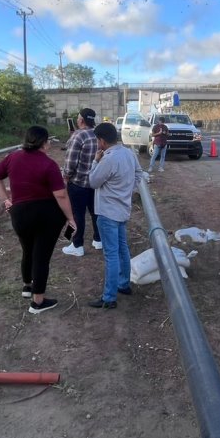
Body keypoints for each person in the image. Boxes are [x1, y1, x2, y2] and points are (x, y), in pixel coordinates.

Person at [0, 125, 77, 315]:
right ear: (44, 143)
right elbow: (61, 195)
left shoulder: (13, 157)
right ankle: (38, 302)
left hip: (19, 214)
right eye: (48, 141)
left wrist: (6, 200)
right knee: (41, 257)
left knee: (27, 250)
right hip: (46, 215)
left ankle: (27, 287)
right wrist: (71, 218)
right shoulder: (49, 164)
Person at [86, 122, 144, 309]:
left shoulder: (108, 159)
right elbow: (139, 173)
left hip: (107, 212)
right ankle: (123, 284)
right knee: (122, 249)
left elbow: (93, 181)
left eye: (97, 140)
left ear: (102, 141)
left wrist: (95, 161)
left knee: (111, 254)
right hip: (122, 209)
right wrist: (128, 191)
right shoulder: (128, 153)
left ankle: (109, 297)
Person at [61, 107, 102, 258]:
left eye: (78, 117)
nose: (77, 119)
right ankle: (98, 240)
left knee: (76, 214)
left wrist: (65, 178)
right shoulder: (99, 135)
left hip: (78, 184)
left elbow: (70, 163)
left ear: (81, 120)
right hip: (95, 183)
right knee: (95, 212)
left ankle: (76, 245)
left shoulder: (78, 136)